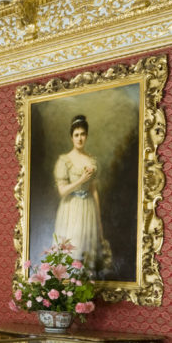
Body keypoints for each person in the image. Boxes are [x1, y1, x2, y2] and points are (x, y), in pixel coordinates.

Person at [52, 114, 109, 270]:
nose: (80, 138)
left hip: (88, 208)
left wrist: (98, 219)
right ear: (71, 137)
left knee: (87, 251)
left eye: (82, 134)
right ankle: (69, 287)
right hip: (71, 208)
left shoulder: (91, 160)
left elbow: (94, 190)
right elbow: (62, 191)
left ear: (87, 136)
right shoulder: (64, 160)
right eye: (76, 135)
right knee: (72, 251)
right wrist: (81, 180)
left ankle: (85, 287)